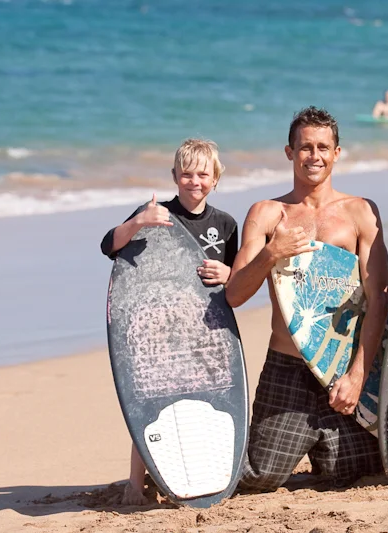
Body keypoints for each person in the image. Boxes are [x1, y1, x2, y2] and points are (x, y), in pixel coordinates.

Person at [225, 107, 388, 491]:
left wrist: (357, 375)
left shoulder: (360, 213)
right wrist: (271, 253)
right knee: (260, 476)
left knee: (352, 472)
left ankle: (323, 446)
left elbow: (377, 299)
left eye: (322, 147)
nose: (313, 156)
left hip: (342, 366)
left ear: (337, 153)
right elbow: (234, 294)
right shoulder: (267, 214)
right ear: (289, 152)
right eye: (304, 148)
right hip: (288, 366)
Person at [99, 138, 239, 504]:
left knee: (205, 398)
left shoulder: (225, 224)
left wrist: (227, 271)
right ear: (175, 176)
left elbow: (241, 273)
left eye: (203, 174)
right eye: (187, 174)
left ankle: (198, 472)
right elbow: (108, 246)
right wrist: (139, 222)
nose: (195, 181)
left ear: (216, 178)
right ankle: (135, 483)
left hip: (206, 331)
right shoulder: (156, 214)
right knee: (149, 400)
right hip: (158, 329)